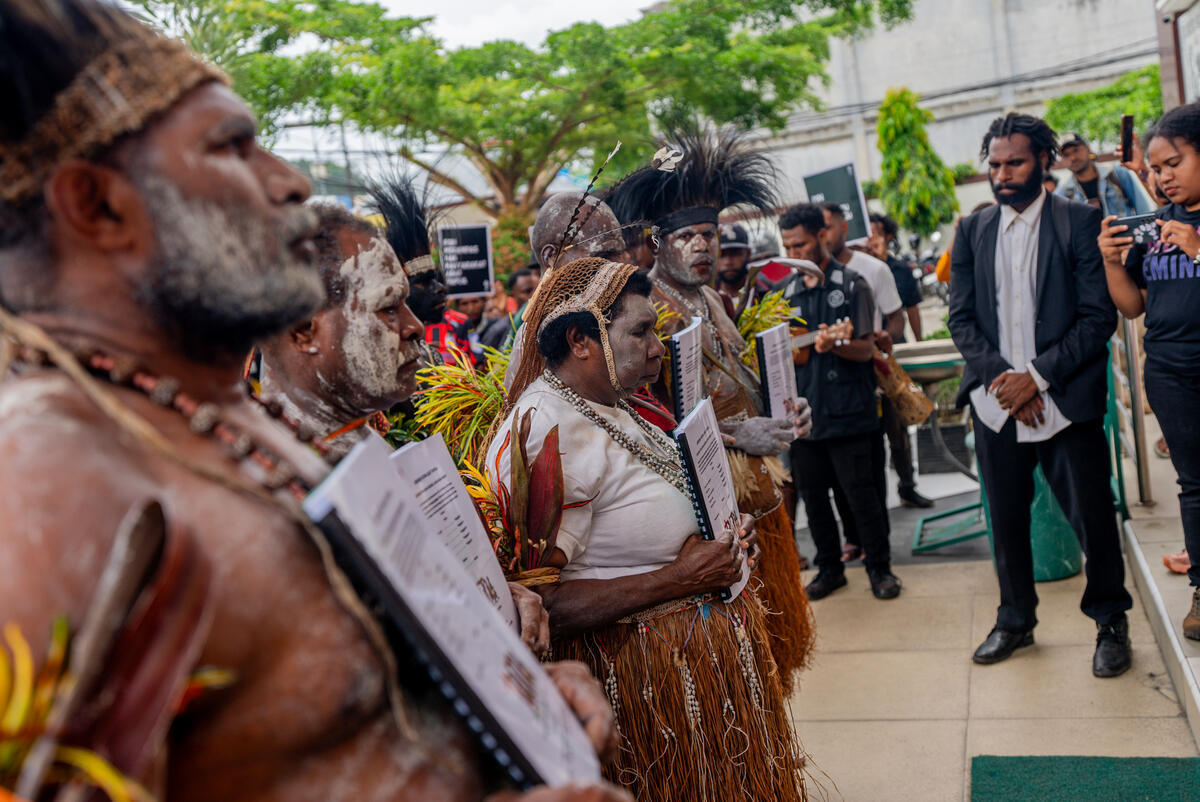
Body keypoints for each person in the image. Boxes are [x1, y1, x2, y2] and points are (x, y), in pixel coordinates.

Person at [0, 3, 628, 799]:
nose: (289, 181)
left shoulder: (215, 417)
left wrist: (509, 714)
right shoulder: (48, 493)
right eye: (231, 145)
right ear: (97, 206)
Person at [488, 256, 809, 802]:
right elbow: (541, 608)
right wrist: (679, 578)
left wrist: (722, 541)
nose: (658, 347)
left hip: (700, 685)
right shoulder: (543, 430)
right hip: (645, 691)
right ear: (580, 340)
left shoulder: (618, 403)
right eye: (640, 331)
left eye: (656, 331)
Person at [604, 128, 816, 691]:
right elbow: (649, 419)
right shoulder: (648, 312)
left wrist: (783, 414)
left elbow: (738, 385)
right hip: (706, 502)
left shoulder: (713, 300)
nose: (702, 246)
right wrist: (737, 434)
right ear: (661, 242)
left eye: (710, 235)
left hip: (751, 492)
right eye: (688, 236)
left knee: (772, 648)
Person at [949, 112, 1133, 677]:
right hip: (996, 403)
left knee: (1092, 517)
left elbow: (1098, 315)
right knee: (1004, 520)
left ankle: (1109, 622)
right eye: (995, 164)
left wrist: (1038, 377)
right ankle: (1015, 620)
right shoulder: (973, 230)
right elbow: (961, 319)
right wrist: (1007, 381)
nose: (1002, 174)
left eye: (1015, 162)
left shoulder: (1079, 221)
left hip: (1064, 399)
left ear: (1043, 162)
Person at [1099, 102, 1200, 641]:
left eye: (1174, 163)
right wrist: (1113, 260)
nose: (1163, 177)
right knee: (1194, 484)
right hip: (1170, 372)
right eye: (1156, 169)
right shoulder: (1159, 225)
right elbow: (1133, 306)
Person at [780, 204, 902, 601]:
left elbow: (866, 349)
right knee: (814, 500)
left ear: (822, 236)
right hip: (805, 415)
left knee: (861, 497)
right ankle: (830, 569)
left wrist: (837, 345)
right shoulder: (785, 294)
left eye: (799, 243)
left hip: (850, 413)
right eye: (787, 245)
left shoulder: (853, 285)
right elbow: (785, 355)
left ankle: (880, 570)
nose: (793, 252)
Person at [1056, 132, 1153, 217]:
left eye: (1076, 150)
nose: (1072, 158)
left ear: (1088, 148)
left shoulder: (1117, 174)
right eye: (1066, 155)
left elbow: (1143, 209)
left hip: (1126, 237)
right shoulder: (1062, 194)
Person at [715, 221, 752, 312]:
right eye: (722, 255)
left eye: (735, 253)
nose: (728, 262)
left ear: (748, 254)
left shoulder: (767, 291)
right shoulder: (705, 297)